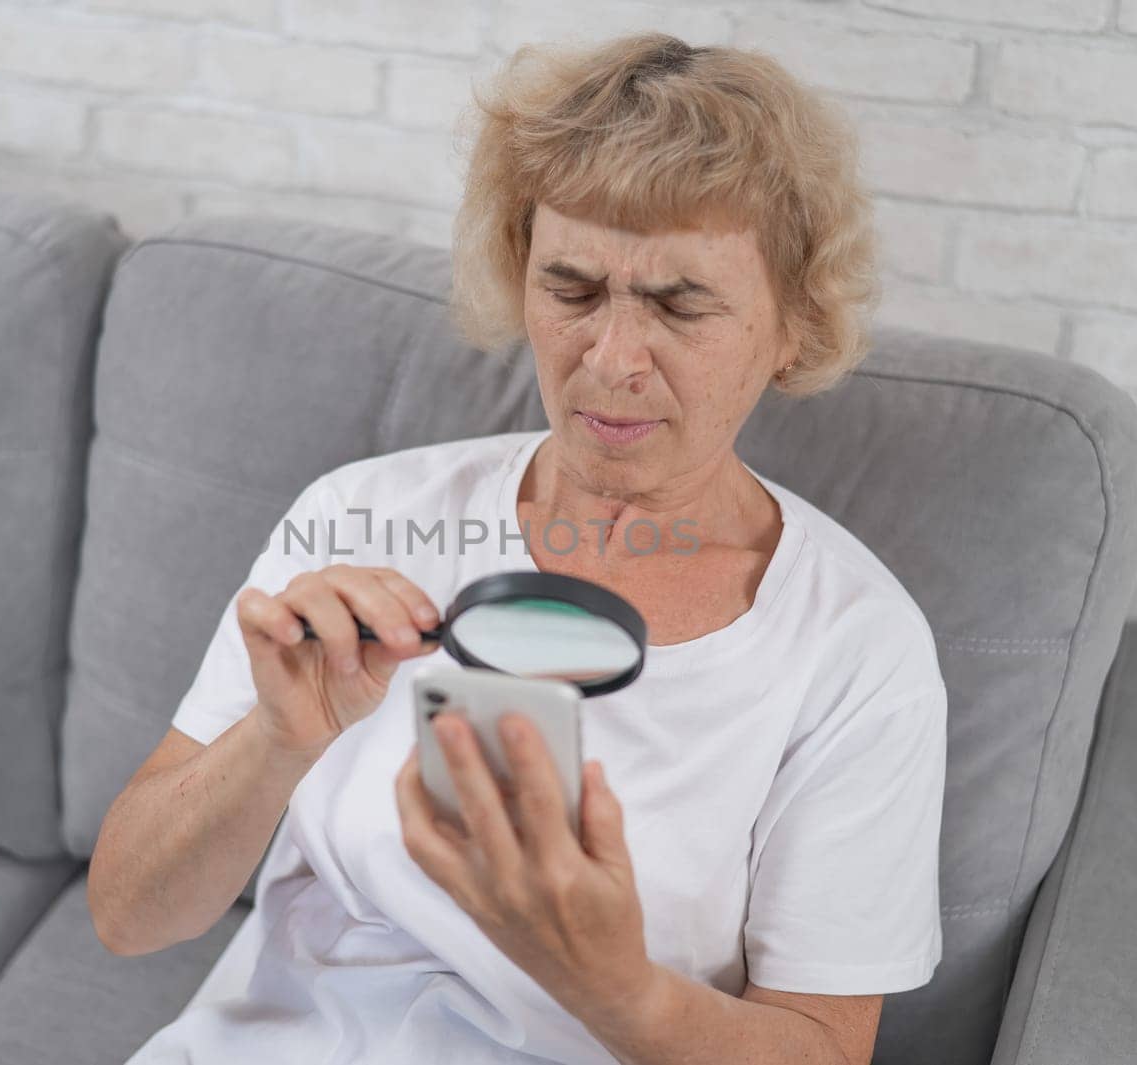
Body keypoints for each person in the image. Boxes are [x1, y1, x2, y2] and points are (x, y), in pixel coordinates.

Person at [91, 31, 946, 1065]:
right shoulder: (363, 513)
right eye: (573, 290)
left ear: (794, 326)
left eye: (681, 304)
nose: (613, 359)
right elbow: (129, 918)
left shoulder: (853, 647)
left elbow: (821, 1049)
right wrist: (276, 741)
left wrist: (619, 992)